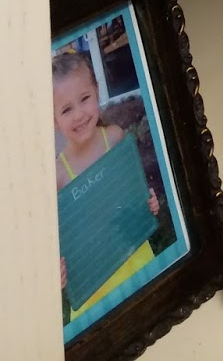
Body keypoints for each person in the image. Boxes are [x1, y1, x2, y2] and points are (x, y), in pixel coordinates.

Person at [53, 50, 160, 319]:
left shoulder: (113, 137)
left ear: (97, 91)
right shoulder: (58, 174)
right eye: (66, 109)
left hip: (136, 260)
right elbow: (57, 235)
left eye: (84, 99)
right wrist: (56, 266)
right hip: (95, 288)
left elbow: (131, 195)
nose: (79, 115)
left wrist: (147, 204)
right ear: (54, 120)